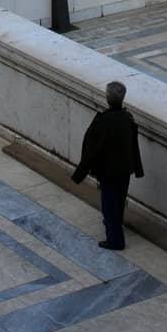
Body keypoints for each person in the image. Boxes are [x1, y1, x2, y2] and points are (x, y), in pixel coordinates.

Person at [71, 80, 143, 250]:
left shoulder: (102, 121)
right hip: (125, 169)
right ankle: (115, 227)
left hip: (108, 171)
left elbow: (91, 149)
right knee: (118, 201)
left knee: (109, 204)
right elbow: (133, 145)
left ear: (108, 99)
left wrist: (79, 173)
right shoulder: (128, 118)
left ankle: (115, 240)